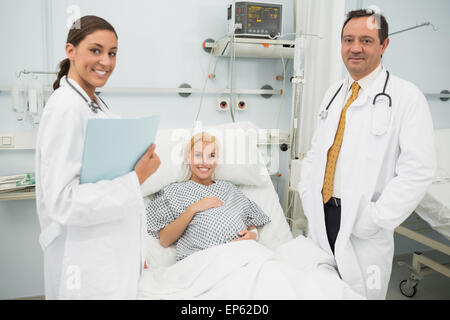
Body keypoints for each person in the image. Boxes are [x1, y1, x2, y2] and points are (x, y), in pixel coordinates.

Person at [297, 9, 436, 299]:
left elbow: (418, 170)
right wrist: (306, 190)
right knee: (316, 291)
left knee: (361, 293)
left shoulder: (406, 97)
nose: (355, 48)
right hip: (321, 215)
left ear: (384, 46)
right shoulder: (334, 93)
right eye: (348, 40)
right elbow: (316, 151)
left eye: (366, 40)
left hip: (364, 225)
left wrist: (376, 218)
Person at [35, 15, 161, 299]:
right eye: (96, 50)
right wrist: (137, 177)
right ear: (70, 51)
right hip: (84, 260)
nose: (106, 61)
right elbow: (62, 202)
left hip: (107, 255)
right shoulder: (66, 108)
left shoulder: (92, 103)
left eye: (112, 53)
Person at [145, 132, 271, 262]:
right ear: (188, 158)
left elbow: (252, 220)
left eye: (211, 156)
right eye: (198, 155)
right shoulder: (173, 192)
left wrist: (253, 235)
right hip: (204, 260)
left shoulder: (230, 189)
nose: (205, 162)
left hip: (243, 255)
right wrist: (193, 209)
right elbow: (165, 240)